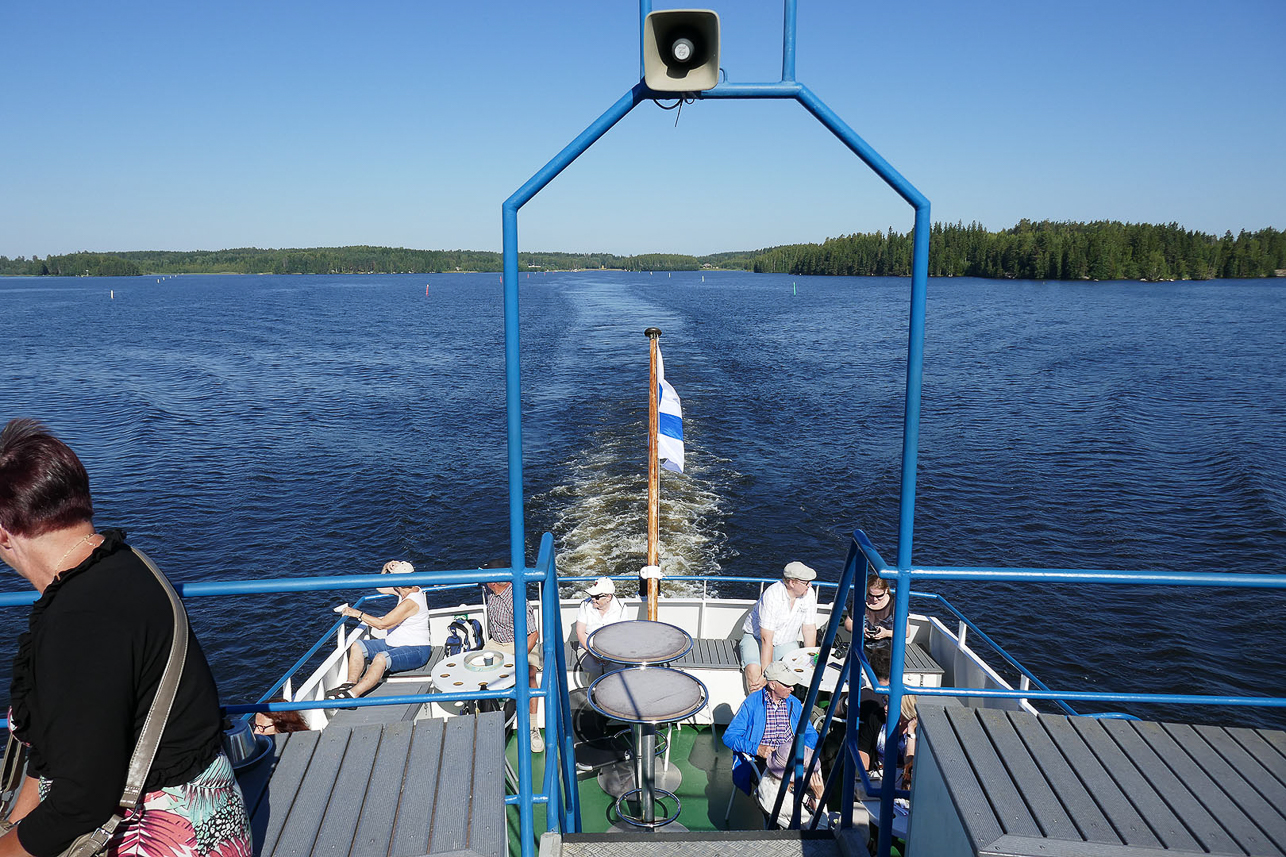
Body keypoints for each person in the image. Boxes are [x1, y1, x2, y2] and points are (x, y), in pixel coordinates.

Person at [0, 418, 251, 857]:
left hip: (157, 837)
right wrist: (13, 823)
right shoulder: (126, 562)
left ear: (4, 534)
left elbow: (83, 801)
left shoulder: (78, 620)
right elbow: (60, 749)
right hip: (210, 818)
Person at [723, 661, 825, 827]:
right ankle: (786, 823)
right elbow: (729, 737)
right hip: (762, 759)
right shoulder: (752, 703)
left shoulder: (794, 703)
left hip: (792, 756)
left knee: (815, 780)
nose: (792, 689)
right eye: (787, 685)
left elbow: (811, 734)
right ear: (772, 684)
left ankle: (809, 819)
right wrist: (757, 748)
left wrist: (800, 750)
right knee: (780, 793)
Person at [328, 560, 433, 701]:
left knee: (381, 658)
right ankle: (350, 683)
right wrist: (385, 568)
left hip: (417, 650)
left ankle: (353, 694)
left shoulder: (410, 602)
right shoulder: (405, 590)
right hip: (393, 643)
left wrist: (357, 614)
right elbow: (380, 587)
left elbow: (382, 624)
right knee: (358, 646)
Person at [479, 560, 544, 753]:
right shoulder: (491, 591)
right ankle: (489, 720)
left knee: (530, 674)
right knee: (479, 674)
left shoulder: (516, 600)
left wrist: (519, 656)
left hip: (520, 643)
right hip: (496, 643)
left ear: (493, 582)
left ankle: (533, 726)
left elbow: (533, 634)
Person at [739, 561, 819, 692]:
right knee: (754, 675)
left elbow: (809, 629)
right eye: (806, 582)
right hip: (756, 639)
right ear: (792, 583)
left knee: (793, 675)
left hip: (785, 642)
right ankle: (758, 709)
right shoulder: (772, 595)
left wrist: (810, 660)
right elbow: (766, 640)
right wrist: (767, 674)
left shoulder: (809, 594)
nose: (809, 585)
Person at [575, 577, 626, 680]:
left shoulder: (621, 608)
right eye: (592, 596)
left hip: (613, 649)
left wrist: (609, 655)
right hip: (588, 648)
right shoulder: (585, 605)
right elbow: (580, 633)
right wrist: (593, 653)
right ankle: (593, 693)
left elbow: (622, 635)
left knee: (616, 669)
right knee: (593, 669)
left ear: (608, 597)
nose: (593, 599)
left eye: (596, 596)